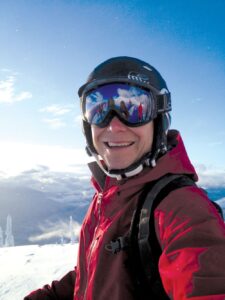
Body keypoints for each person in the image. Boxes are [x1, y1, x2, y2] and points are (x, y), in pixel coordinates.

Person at [24, 56, 225, 300]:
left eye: (134, 108)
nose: (114, 126)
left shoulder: (183, 209)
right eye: (98, 110)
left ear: (159, 120)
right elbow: (96, 273)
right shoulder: (108, 195)